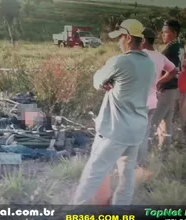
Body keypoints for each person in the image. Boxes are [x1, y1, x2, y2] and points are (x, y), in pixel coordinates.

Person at [71, 19, 156, 205]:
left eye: (119, 38)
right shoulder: (150, 64)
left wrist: (106, 81)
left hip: (116, 130)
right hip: (136, 129)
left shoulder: (120, 61)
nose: (118, 42)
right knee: (126, 178)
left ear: (127, 37)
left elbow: (97, 81)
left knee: (92, 174)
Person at [137, 27, 178, 167]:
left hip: (139, 100)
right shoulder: (160, 56)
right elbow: (174, 71)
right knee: (145, 132)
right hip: (153, 100)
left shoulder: (140, 55)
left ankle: (137, 165)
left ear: (142, 40)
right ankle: (142, 164)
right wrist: (159, 81)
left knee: (136, 135)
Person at [150, 19, 185, 154]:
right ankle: (164, 153)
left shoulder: (172, 48)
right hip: (173, 89)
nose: (163, 35)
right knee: (166, 123)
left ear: (174, 33)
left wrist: (157, 82)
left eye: (166, 32)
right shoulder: (180, 45)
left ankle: (146, 154)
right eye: (162, 32)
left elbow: (173, 71)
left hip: (166, 89)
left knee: (153, 122)